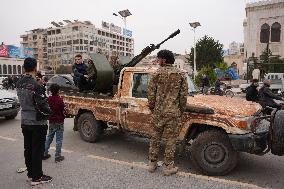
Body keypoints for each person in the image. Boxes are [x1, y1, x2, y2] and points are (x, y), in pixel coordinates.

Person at [147, 50, 188, 176]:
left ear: (164, 60)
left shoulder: (156, 74)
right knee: (171, 140)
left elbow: (150, 94)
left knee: (155, 137)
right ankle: (168, 166)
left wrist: (153, 108)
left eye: (159, 58)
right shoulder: (181, 74)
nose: (158, 61)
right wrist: (180, 110)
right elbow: (183, 97)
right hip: (173, 113)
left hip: (158, 113)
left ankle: (152, 164)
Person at [16, 58, 52, 186]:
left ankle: (31, 174)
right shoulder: (36, 85)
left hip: (25, 120)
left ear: (24, 68)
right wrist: (50, 113)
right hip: (37, 122)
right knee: (37, 150)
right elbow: (42, 105)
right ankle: (37, 177)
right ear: (35, 68)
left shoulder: (19, 82)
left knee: (28, 148)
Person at [43, 84, 66, 162]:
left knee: (49, 137)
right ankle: (58, 156)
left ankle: (44, 153)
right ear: (58, 91)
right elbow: (63, 109)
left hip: (51, 121)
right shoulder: (60, 100)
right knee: (59, 139)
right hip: (59, 121)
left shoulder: (48, 99)